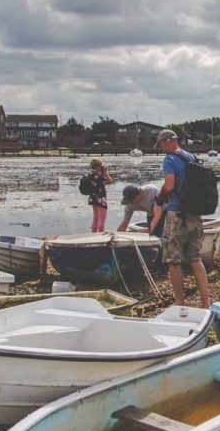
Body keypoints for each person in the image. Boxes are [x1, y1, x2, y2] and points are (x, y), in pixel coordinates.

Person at [119, 129, 210, 308]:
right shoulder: (190, 157)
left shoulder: (170, 159)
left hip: (177, 213)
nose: (160, 148)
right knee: (195, 259)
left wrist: (160, 197)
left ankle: (179, 303)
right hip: (195, 212)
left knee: (173, 261)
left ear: (169, 141)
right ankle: (206, 302)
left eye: (161, 144)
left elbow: (169, 185)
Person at [86, 158, 113, 233]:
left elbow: (99, 183)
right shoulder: (98, 177)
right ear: (98, 167)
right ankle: (100, 236)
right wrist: (106, 173)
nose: (102, 167)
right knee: (102, 220)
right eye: (101, 166)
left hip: (93, 199)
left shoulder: (90, 175)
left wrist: (102, 173)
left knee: (95, 219)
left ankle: (93, 235)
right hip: (100, 200)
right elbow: (110, 181)